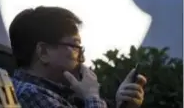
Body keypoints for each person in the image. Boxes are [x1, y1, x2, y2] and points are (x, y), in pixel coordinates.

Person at [10, 6, 147, 108]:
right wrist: (92, 95)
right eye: (76, 46)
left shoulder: (58, 93)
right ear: (44, 52)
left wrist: (122, 105)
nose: (81, 58)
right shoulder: (31, 95)